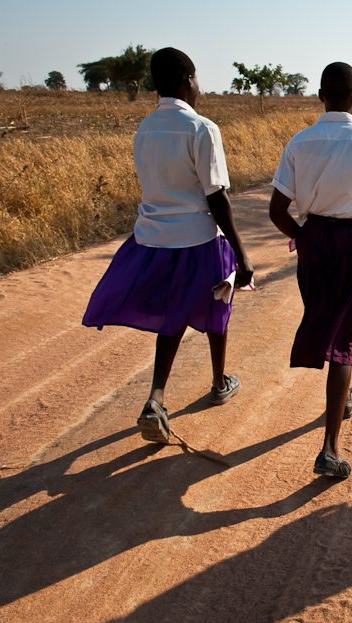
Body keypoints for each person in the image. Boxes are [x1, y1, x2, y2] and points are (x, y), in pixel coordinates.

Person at [83, 48, 254, 443]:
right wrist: (241, 251)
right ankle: (198, 386)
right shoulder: (202, 128)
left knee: (176, 315)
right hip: (197, 239)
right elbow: (217, 197)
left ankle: (178, 391)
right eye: (196, 80)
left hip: (153, 240)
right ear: (186, 81)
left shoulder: (145, 128)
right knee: (217, 303)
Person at [268, 61, 352, 480]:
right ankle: (329, 448)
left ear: (321, 97)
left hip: (314, 244)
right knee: (346, 339)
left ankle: (343, 394)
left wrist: (303, 236)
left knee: (325, 316)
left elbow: (276, 209)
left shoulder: (300, 142)